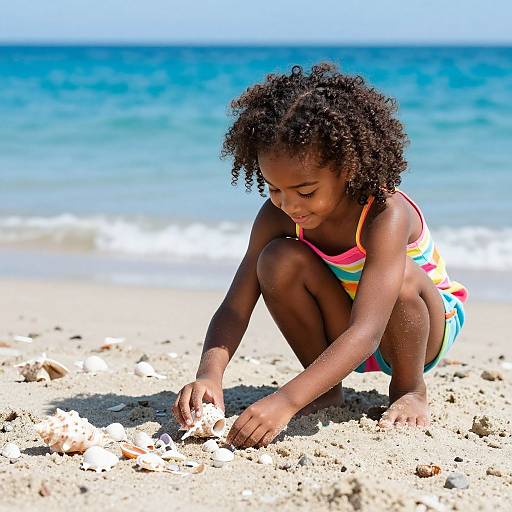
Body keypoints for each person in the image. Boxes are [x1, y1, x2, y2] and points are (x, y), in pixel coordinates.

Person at [172, 62, 467, 448]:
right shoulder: (276, 216)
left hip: (417, 330)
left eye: (306, 191)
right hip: (344, 330)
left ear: (347, 168)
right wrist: (209, 374)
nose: (289, 204)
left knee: (403, 277)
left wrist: (285, 401)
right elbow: (235, 306)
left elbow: (368, 331)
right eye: (274, 188)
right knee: (275, 259)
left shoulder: (384, 214)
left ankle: (410, 388)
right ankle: (324, 389)